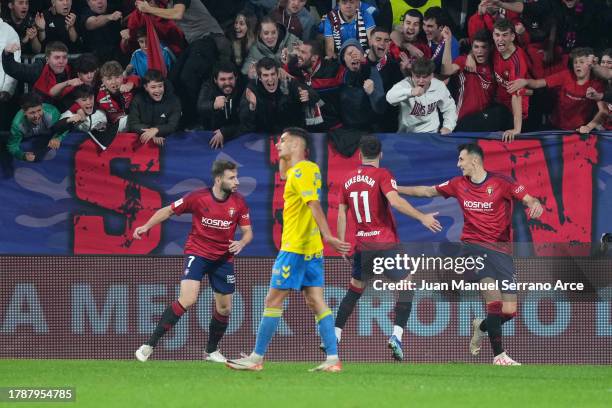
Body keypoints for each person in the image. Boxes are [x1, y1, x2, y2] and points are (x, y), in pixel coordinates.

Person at [398, 143, 543, 365]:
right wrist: (394, 189)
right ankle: (499, 355)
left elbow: (528, 198)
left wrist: (535, 204)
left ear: (474, 161)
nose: (458, 165)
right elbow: (427, 191)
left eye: (461, 160)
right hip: (473, 248)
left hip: (501, 251)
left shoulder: (501, 183)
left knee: (510, 310)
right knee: (493, 302)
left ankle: (481, 326)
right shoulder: (458, 184)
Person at [226, 127, 351, 372]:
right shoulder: (306, 169)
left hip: (295, 247)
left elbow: (314, 204)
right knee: (316, 301)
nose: (278, 145)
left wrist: (329, 236)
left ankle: (256, 358)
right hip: (312, 249)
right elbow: (284, 175)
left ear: (296, 145)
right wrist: (284, 157)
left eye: (283, 141)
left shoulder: (301, 170)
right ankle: (332, 359)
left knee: (272, 299)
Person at [333, 135, 442, 361]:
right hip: (385, 244)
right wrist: (422, 217)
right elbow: (395, 201)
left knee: (354, 290)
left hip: (363, 246)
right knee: (407, 284)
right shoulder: (383, 174)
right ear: (380, 154)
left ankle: (334, 335)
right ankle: (396, 336)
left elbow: (342, 212)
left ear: (360, 154)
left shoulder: (348, 178)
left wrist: (341, 242)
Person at [134, 160, 253, 363]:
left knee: (225, 308)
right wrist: (146, 226)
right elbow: (168, 210)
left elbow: (248, 232)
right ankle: (148, 346)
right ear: (218, 179)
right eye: (232, 178)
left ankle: (212, 350)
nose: (237, 182)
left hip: (223, 258)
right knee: (188, 299)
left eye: (236, 177)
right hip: (197, 253)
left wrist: (241, 243)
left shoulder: (239, 202)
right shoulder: (198, 197)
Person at [507, 47, 607, 133]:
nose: (577, 65)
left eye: (581, 62)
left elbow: (603, 111)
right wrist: (525, 81)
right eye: (575, 62)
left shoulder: (597, 84)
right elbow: (538, 83)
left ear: (590, 65)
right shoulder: (566, 75)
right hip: (555, 127)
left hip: (579, 130)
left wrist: (589, 127)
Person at [240, 57, 320, 133]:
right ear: (259, 78)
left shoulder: (288, 83)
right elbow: (246, 124)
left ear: (278, 74)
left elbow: (315, 95)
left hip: (291, 133)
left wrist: (308, 95)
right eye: (265, 75)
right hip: (264, 136)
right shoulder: (252, 89)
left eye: (273, 74)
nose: (270, 79)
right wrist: (252, 107)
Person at [441, 28, 497, 132]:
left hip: (484, 121)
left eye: (484, 47)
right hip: (461, 120)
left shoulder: (495, 66)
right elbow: (446, 71)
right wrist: (448, 42)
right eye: (476, 47)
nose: (479, 51)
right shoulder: (464, 61)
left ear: (491, 48)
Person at [386, 57, 456, 134]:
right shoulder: (405, 84)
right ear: (412, 74)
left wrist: (448, 126)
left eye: (424, 77)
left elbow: (449, 107)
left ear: (431, 75)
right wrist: (410, 92)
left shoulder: (439, 86)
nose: (421, 81)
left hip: (432, 133)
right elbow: (389, 98)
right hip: (408, 134)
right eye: (417, 76)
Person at [490, 19, 530, 141]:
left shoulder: (517, 62)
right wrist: (470, 55)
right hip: (500, 104)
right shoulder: (496, 49)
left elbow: (516, 95)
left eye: (504, 35)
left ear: (512, 37)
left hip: (516, 114)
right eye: (497, 35)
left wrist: (516, 129)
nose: (500, 39)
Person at [2, 41, 71, 104]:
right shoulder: (37, 69)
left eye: (64, 57)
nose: (61, 61)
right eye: (57, 58)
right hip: (41, 112)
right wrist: (7, 54)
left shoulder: (71, 69)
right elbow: (14, 69)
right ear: (47, 59)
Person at [197, 61, 245, 149]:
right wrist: (213, 105)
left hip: (234, 133)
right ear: (215, 80)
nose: (227, 83)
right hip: (211, 133)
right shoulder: (208, 87)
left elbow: (245, 122)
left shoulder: (243, 88)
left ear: (236, 77)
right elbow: (200, 106)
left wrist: (224, 132)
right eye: (223, 79)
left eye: (230, 78)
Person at [127, 69, 181, 146]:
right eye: (153, 87)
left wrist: (157, 130)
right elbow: (133, 124)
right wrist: (151, 133)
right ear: (146, 87)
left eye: (160, 86)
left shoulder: (174, 100)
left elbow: (173, 125)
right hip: (144, 137)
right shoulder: (138, 99)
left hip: (168, 140)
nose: (158, 90)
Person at [8, 92, 66, 161]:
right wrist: (22, 156)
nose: (37, 116)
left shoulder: (52, 113)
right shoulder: (17, 125)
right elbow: (12, 146)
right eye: (32, 113)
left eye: (39, 110)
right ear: (24, 112)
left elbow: (65, 127)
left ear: (42, 107)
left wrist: (57, 138)